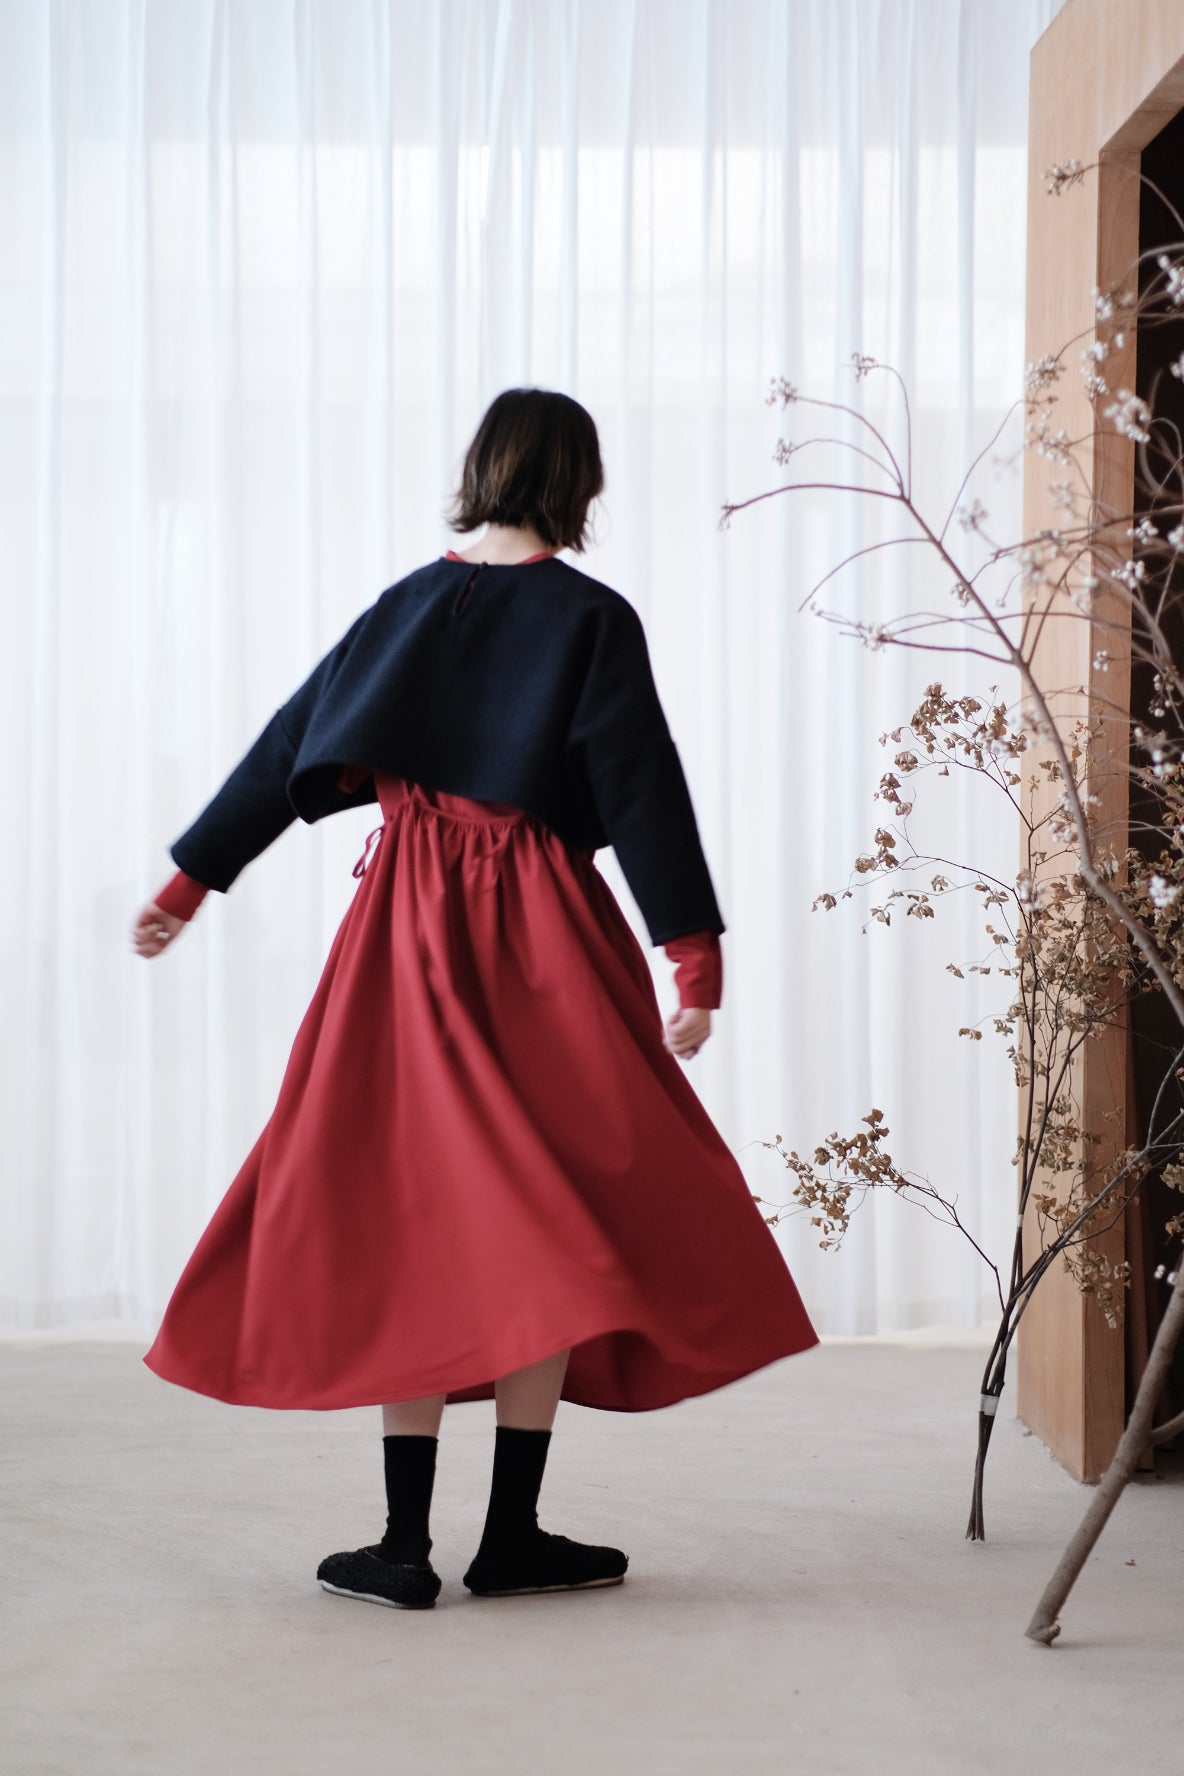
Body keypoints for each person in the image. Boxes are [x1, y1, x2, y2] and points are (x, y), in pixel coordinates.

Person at [130, 386, 818, 1612]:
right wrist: (691, 959)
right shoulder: (588, 617)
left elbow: (290, 745)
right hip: (538, 931)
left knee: (412, 1207)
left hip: (405, 929)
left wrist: (191, 881)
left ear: (481, 469)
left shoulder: (404, 604)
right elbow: (640, 783)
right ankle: (511, 1535)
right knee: (545, 1216)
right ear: (579, 482)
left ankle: (402, 1547)